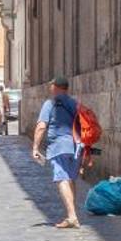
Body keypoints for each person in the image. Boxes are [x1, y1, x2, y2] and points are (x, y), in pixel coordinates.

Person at [31, 77, 83, 229]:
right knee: (71, 179)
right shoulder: (74, 103)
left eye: (51, 86)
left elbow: (41, 126)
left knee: (62, 179)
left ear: (56, 88)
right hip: (75, 146)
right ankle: (73, 215)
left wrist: (35, 147)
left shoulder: (50, 104)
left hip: (58, 147)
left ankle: (72, 216)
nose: (50, 88)